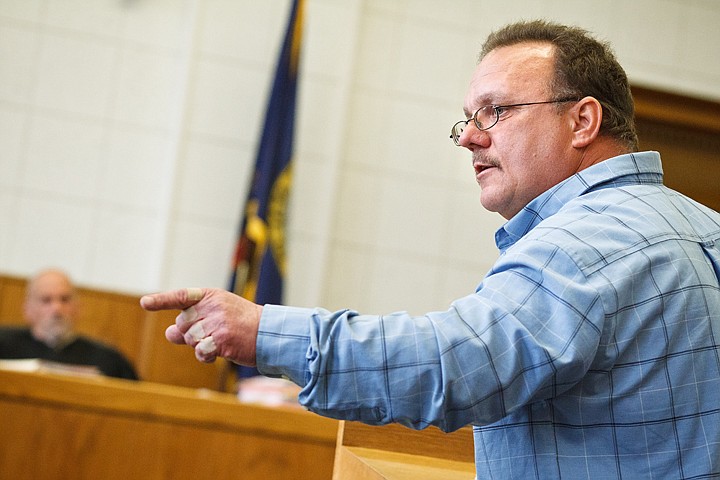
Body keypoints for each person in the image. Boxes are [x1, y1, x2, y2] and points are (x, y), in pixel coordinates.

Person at [140, 20, 720, 478]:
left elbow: (453, 365)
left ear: (583, 120)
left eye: (495, 110)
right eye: (467, 118)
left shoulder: (586, 242)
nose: (469, 135)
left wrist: (265, 332)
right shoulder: (705, 227)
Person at [0, 269, 139, 380]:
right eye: (46, 300)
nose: (57, 308)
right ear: (28, 309)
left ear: (78, 308)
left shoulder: (109, 359)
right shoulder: (3, 345)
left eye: (64, 299)